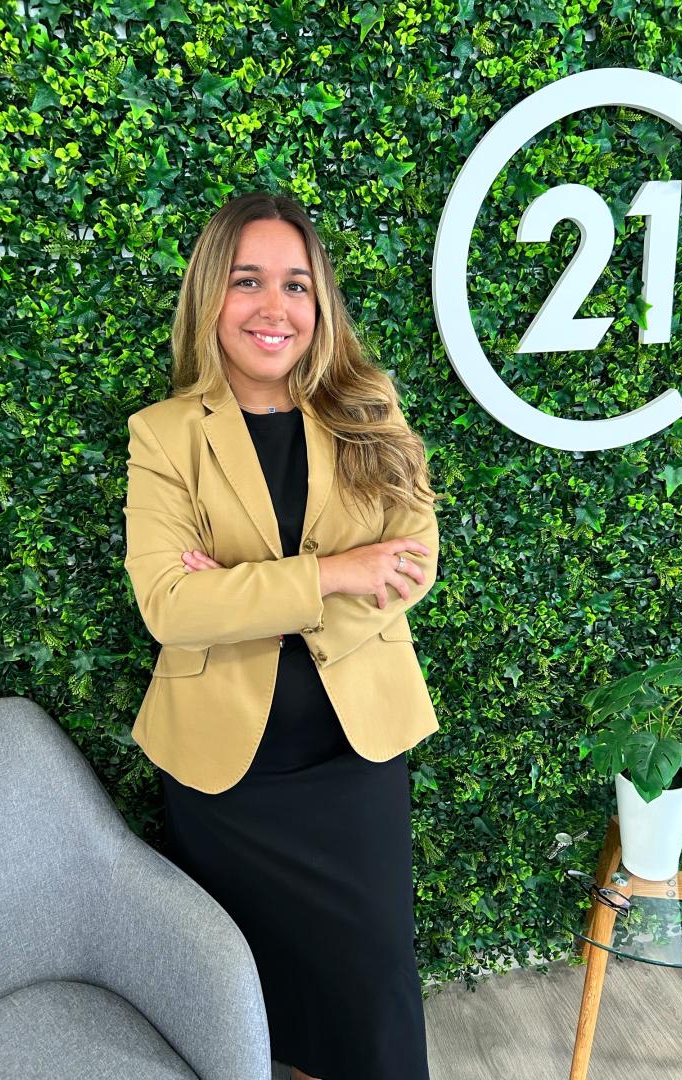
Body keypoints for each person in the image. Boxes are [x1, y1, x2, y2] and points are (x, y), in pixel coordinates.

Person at [123, 191, 443, 1080]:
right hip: (228, 777)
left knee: (375, 997)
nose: (275, 307)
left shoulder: (368, 407)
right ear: (210, 295)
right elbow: (169, 607)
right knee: (256, 1004)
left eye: (296, 284)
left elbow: (412, 565)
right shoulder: (165, 436)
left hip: (354, 754)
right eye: (248, 281)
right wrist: (337, 572)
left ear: (319, 301)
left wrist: (236, 590)